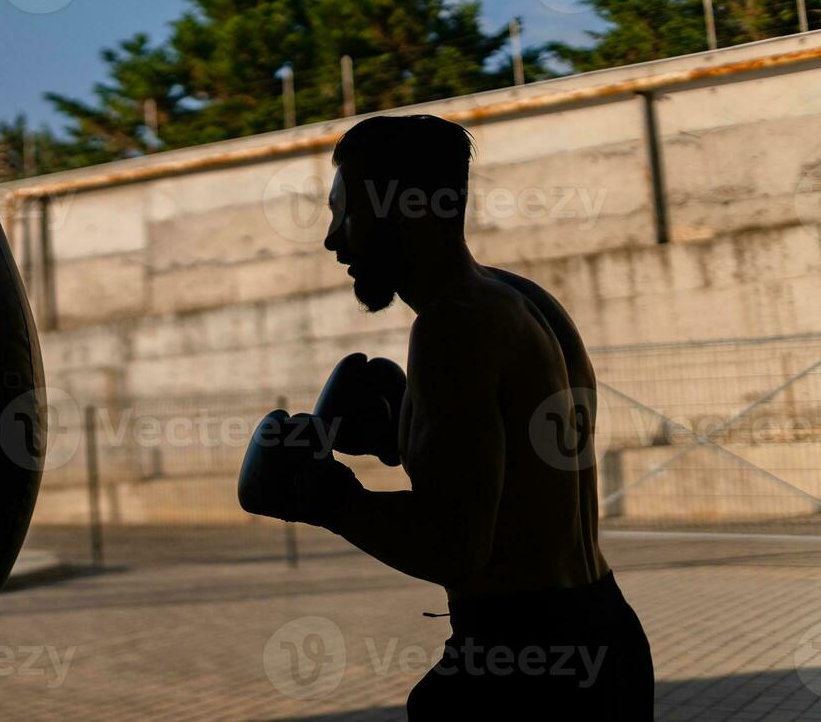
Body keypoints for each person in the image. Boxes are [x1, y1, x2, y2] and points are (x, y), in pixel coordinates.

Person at [243, 114, 654, 719]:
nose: (333, 241)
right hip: (604, 634)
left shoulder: (449, 328)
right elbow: (514, 475)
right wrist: (402, 435)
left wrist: (321, 495)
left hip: (525, 670)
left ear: (406, 210)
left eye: (345, 214)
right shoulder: (522, 299)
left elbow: (454, 546)